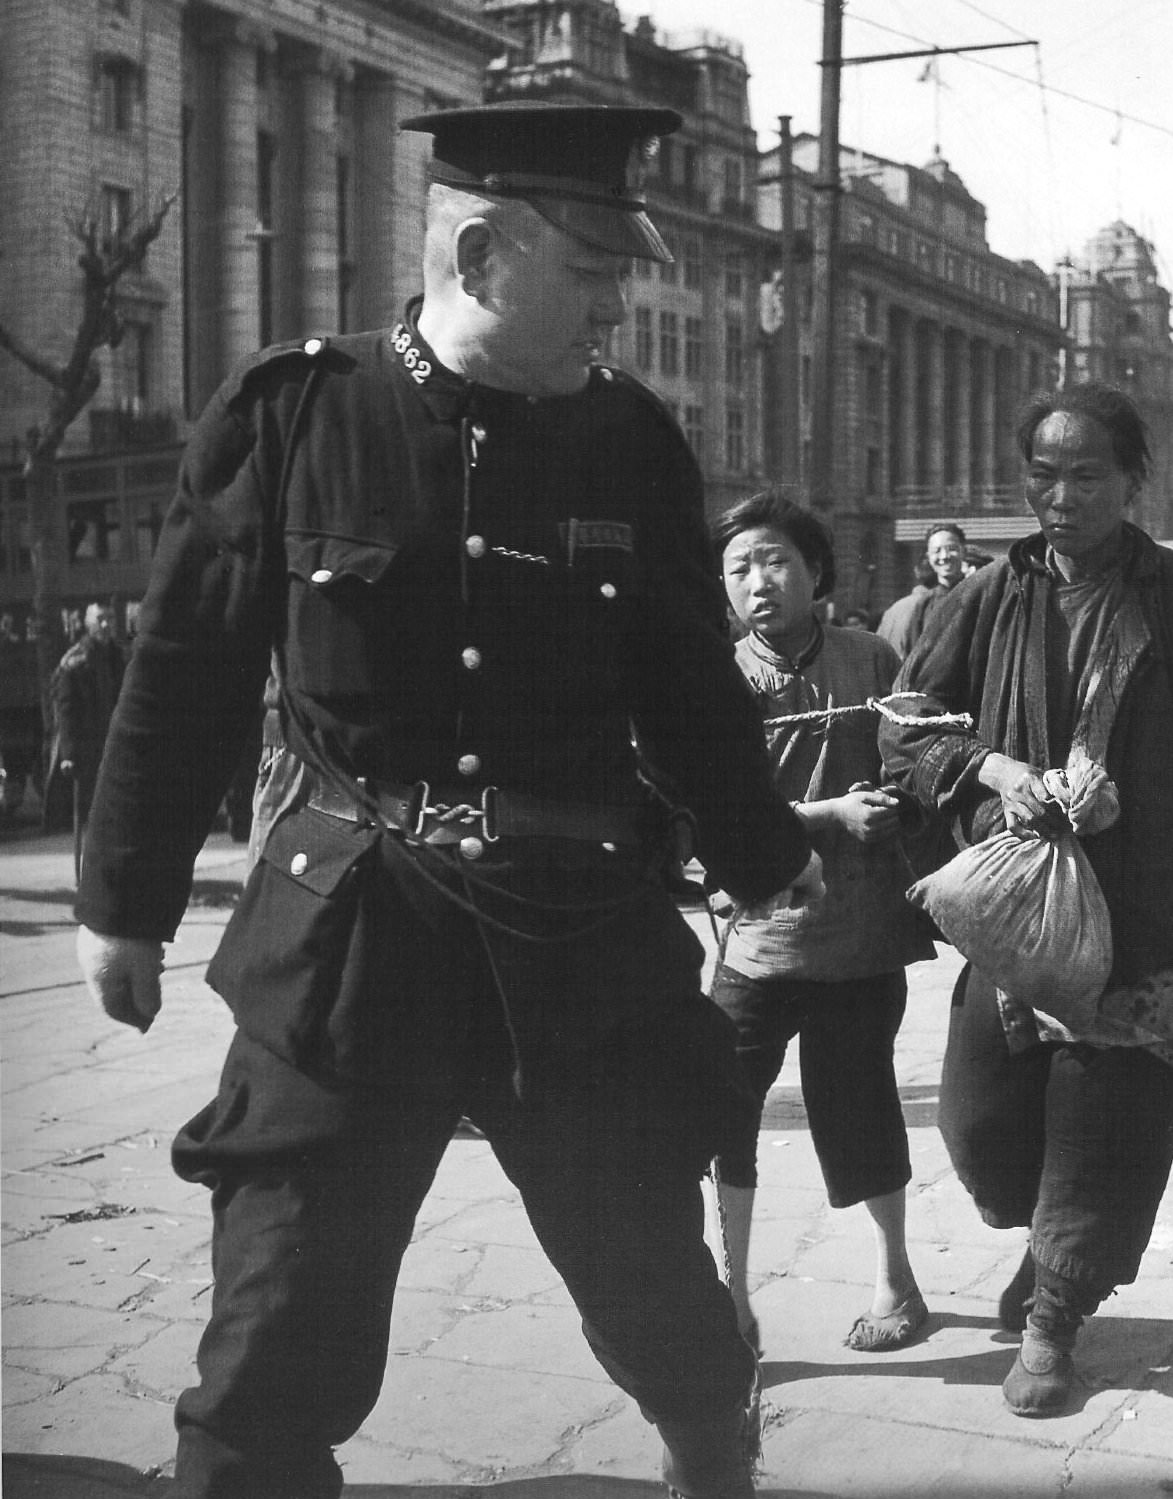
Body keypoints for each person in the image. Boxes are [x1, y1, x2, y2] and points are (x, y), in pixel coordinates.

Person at [73, 102, 822, 1499]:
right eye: (592, 274)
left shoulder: (633, 444)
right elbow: (181, 667)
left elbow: (687, 686)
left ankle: (713, 1442)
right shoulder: (294, 411)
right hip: (348, 945)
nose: (619, 302)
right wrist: (122, 902)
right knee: (277, 1323)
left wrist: (766, 850)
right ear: (478, 255)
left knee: (653, 1284)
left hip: (577, 943)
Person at [879, 382, 1173, 1418]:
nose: (1060, 495)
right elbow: (907, 728)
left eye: (1086, 473)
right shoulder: (989, 597)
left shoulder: (1167, 596)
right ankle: (1041, 1241)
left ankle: (1054, 1313)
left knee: (1106, 1128)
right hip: (1015, 917)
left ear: (1133, 479)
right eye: (1041, 474)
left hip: (1142, 918)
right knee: (981, 1132)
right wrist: (997, 768)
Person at [707, 492, 936, 1358]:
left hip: (858, 937)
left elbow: (919, 765)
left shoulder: (871, 657)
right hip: (757, 940)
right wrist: (827, 814)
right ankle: (728, 1300)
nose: (757, 581)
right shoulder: (714, 676)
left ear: (814, 572)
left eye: (773, 560)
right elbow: (709, 813)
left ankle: (895, 1278)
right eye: (737, 568)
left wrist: (891, 803)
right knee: (722, 1116)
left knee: (860, 1106)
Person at [43, 602, 124, 833]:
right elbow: (66, 712)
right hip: (89, 747)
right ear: (88, 624)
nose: (106, 624)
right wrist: (68, 755)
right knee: (92, 811)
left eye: (110, 618)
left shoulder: (117, 657)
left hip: (113, 742)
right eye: (100, 619)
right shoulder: (75, 662)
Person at [876, 525, 967, 659]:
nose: (944, 556)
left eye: (952, 549)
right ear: (928, 556)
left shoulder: (981, 595)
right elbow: (913, 655)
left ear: (963, 551)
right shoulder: (924, 605)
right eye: (937, 551)